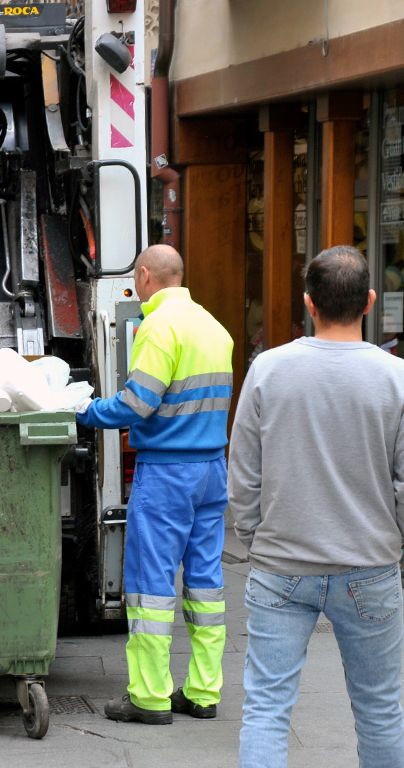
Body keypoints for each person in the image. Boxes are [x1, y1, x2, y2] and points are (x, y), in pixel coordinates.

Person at [229, 246, 404, 767]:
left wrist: (255, 536)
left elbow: (243, 474)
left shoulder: (268, 370)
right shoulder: (396, 378)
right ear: (370, 302)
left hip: (281, 565)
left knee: (265, 707)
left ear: (309, 303)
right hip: (370, 566)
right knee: (381, 710)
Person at [75, 244, 233, 725]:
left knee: (150, 588)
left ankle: (149, 697)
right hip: (211, 470)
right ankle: (204, 692)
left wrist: (84, 410)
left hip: (167, 473)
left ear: (145, 276)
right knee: (206, 585)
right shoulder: (213, 325)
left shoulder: (158, 327)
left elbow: (136, 403)